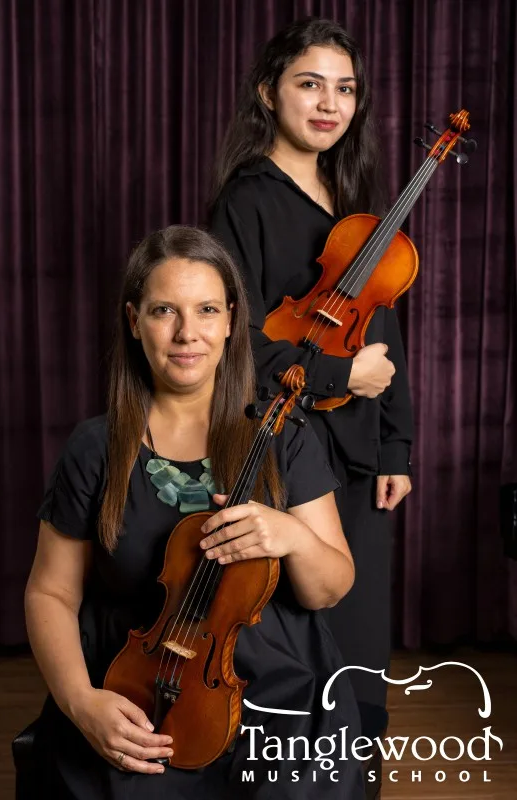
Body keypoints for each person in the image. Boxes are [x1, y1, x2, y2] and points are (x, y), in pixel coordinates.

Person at [24, 225, 366, 799]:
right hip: (136, 695)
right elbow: (50, 593)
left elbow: (329, 589)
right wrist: (82, 703)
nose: (188, 333)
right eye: (164, 310)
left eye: (207, 309)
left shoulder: (282, 436)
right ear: (134, 322)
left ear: (232, 320)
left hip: (275, 699)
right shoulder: (95, 447)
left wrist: (291, 537)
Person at [209, 16, 413, 762]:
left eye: (345, 88)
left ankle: (351, 773)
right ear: (269, 93)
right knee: (293, 635)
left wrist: (396, 444)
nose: (329, 103)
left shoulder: (351, 199)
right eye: (309, 84)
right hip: (283, 445)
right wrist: (339, 376)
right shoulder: (246, 201)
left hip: (358, 453)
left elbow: (385, 336)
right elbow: (232, 344)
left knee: (359, 649)